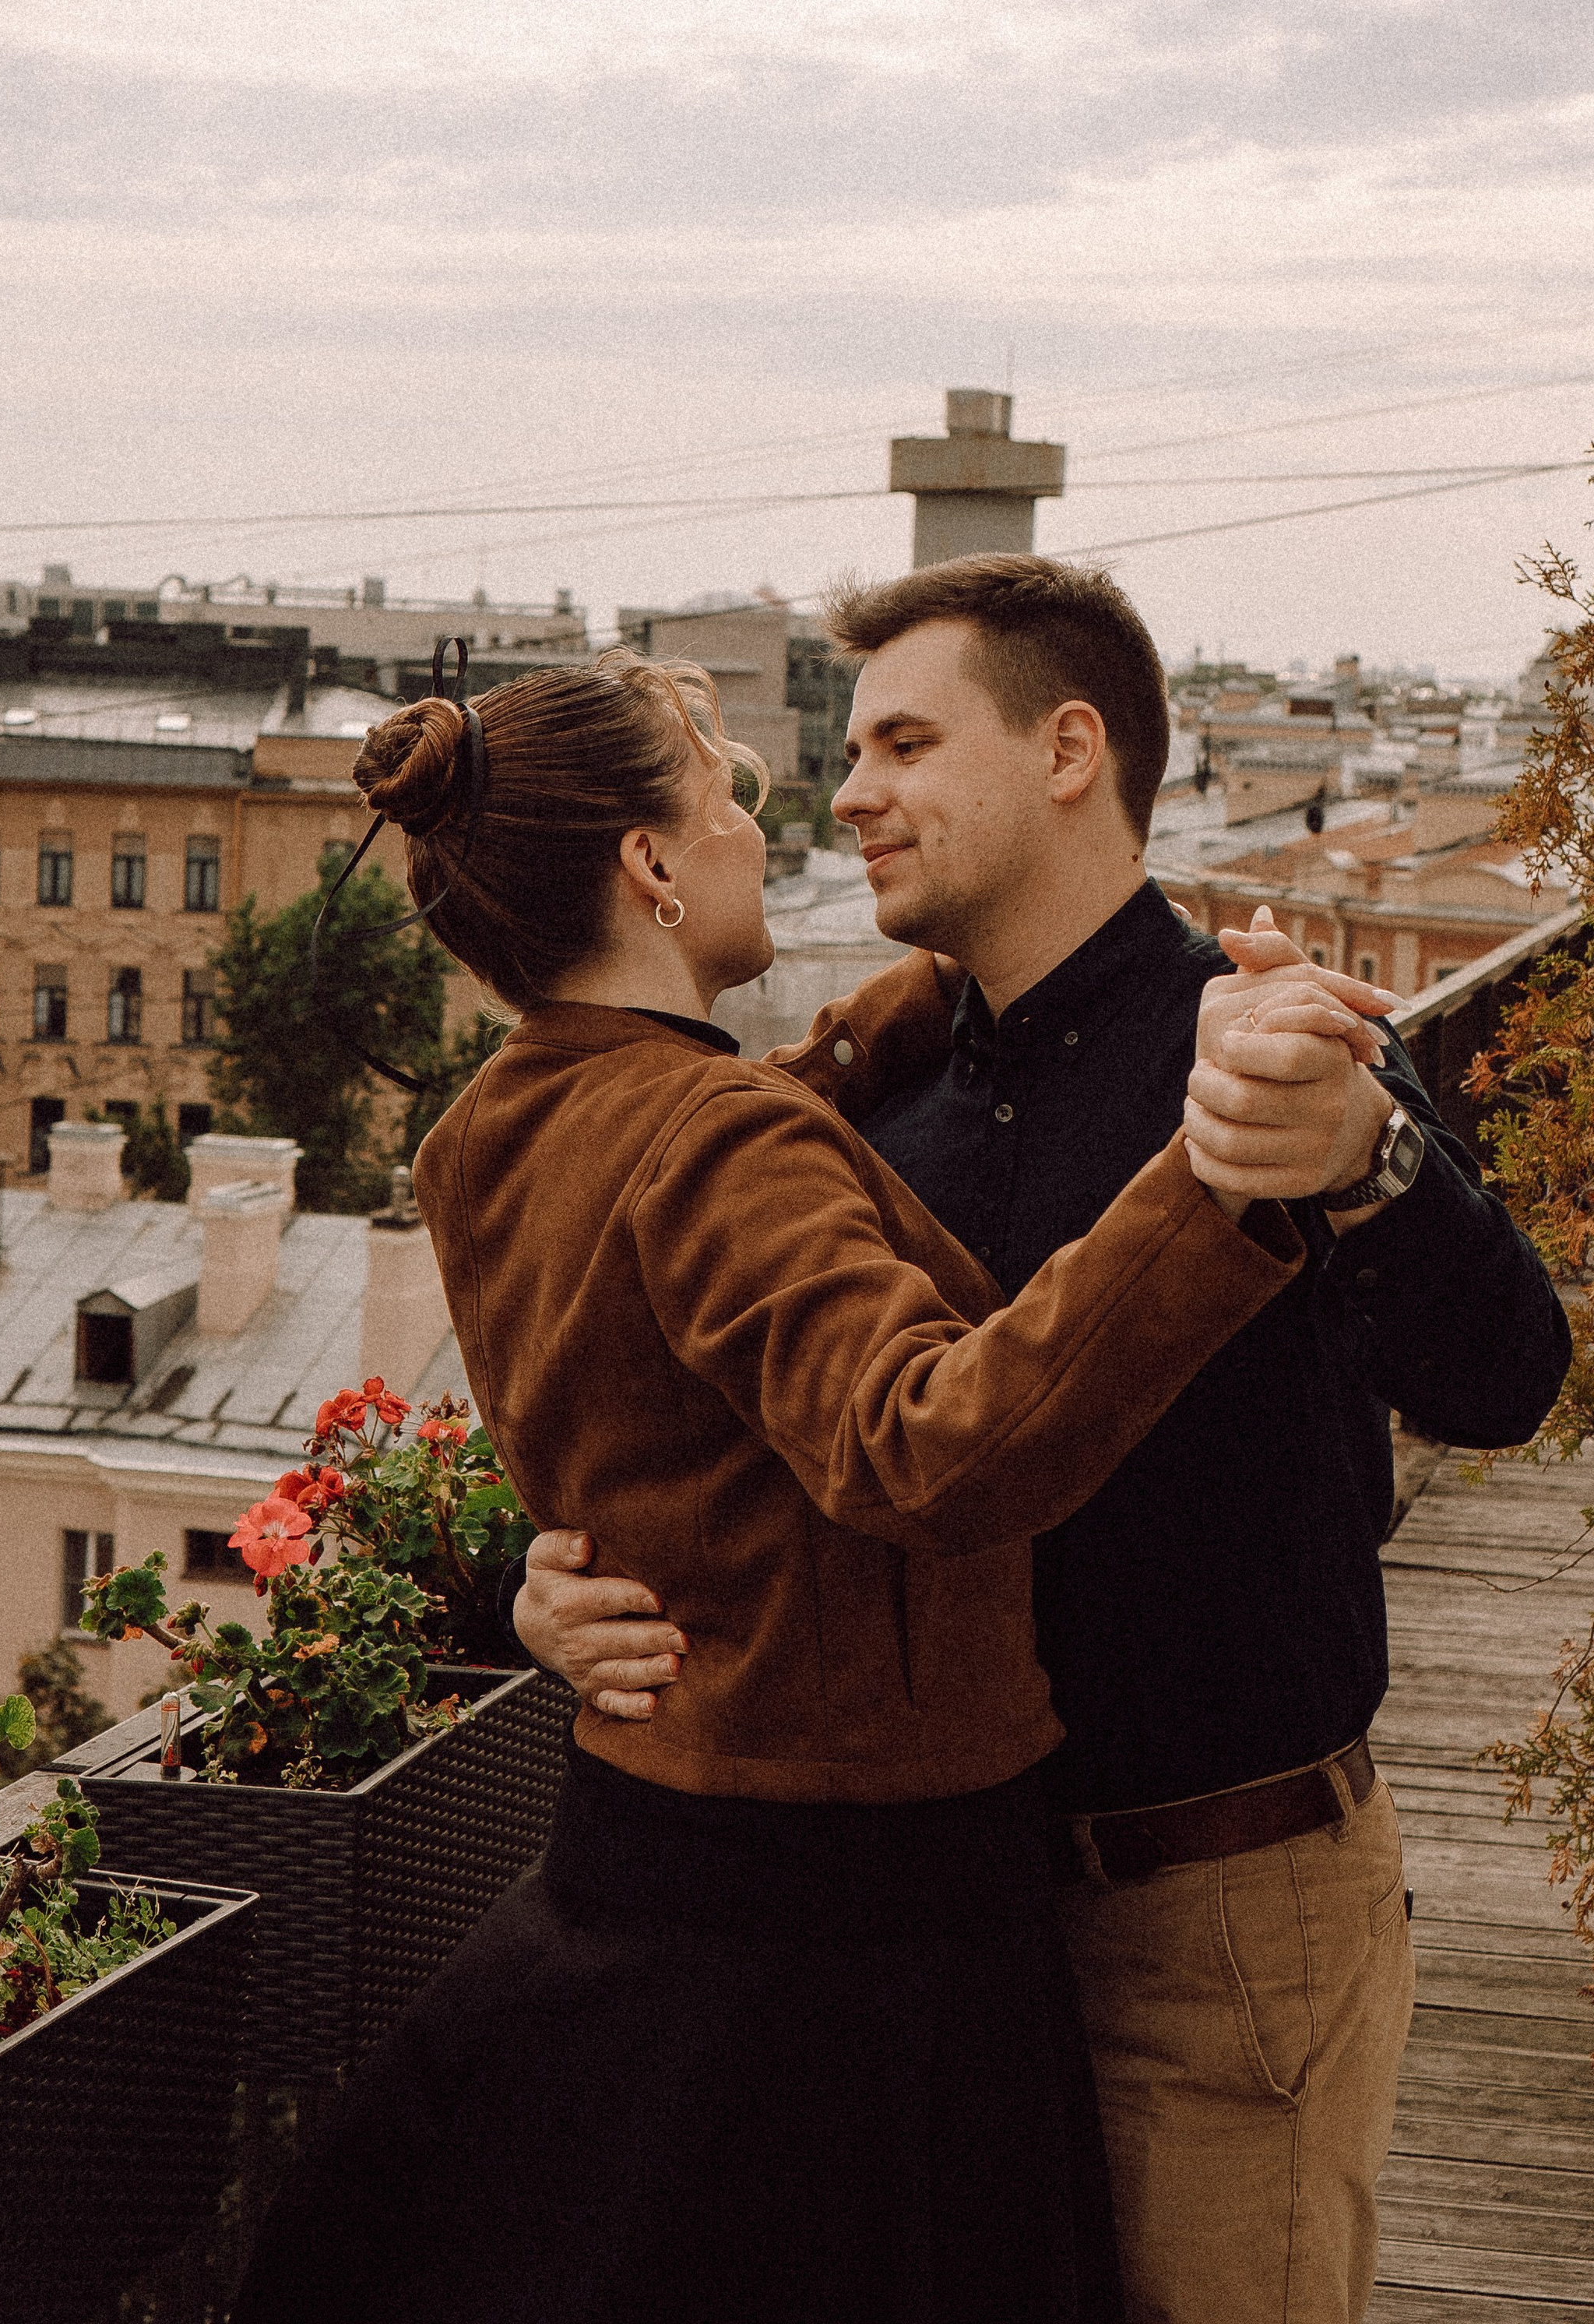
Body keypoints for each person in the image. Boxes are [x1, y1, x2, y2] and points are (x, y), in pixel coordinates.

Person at [227, 647, 1381, 2324]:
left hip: (634, 1874)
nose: (770, 836)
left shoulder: (490, 1128)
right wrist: (1218, 1191)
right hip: (851, 1944)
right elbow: (929, 1440)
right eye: (731, 802)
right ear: (651, 868)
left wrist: (910, 1005)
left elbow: (695, 1172)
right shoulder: (713, 1142)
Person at [515, 558, 1572, 2324]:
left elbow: (1505, 1381)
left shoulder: (1244, 1047)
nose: (848, 793)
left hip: (1214, 1916)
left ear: (1068, 748)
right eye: (853, 751)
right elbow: (727, 1429)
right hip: (934, 1942)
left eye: (905, 742)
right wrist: (536, 1589)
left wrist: (1370, 1162)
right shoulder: (893, 1100)